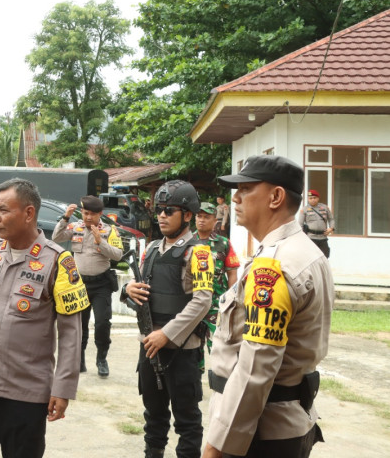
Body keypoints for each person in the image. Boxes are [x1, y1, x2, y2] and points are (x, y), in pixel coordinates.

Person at [203, 155, 334, 458]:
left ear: (276, 197)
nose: (235, 198)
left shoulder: (275, 266)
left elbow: (254, 370)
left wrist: (217, 446)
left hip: (257, 434)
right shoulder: (305, 252)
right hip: (282, 424)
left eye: (246, 189)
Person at [0, 178, 89, 457]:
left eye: (3, 210)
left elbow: (71, 334)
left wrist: (63, 388)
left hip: (27, 392)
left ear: (28, 213)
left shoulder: (58, 262)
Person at [123, 180, 212, 458]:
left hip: (180, 350)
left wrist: (167, 334)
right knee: (153, 415)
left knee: (187, 420)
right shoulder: (151, 249)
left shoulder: (198, 252)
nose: (162, 215)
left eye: (169, 210)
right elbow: (140, 292)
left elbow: (203, 300)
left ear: (187, 215)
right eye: (159, 210)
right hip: (150, 345)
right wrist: (128, 290)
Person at [51, 195, 123, 376]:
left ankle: (101, 359)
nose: (88, 217)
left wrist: (101, 241)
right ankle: (80, 360)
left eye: (92, 214)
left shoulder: (110, 230)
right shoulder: (76, 227)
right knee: (80, 325)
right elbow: (56, 237)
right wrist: (65, 217)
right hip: (80, 284)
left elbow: (117, 255)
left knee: (102, 323)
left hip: (101, 284)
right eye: (85, 213)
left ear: (100, 214)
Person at [193, 202, 239, 353]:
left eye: (206, 217)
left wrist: (232, 301)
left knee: (219, 350)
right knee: (192, 352)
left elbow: (232, 273)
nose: (202, 220)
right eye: (199, 216)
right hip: (192, 305)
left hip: (217, 306)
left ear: (214, 221)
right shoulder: (187, 242)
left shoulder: (223, 243)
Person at [298, 189, 335, 258]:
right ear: (308, 199)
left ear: (318, 198)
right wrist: (302, 238)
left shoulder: (325, 207)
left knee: (324, 257)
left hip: (323, 237)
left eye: (314, 198)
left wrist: (331, 228)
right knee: (311, 258)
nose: (313, 200)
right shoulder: (304, 209)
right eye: (310, 198)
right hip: (311, 238)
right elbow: (300, 225)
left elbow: (331, 219)